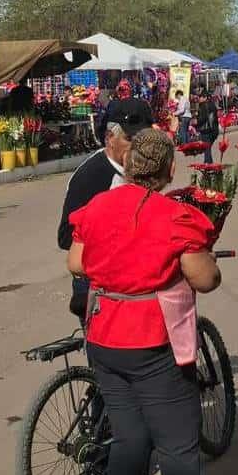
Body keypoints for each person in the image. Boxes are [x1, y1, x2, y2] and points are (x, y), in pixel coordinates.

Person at [66, 128, 221, 475]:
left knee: (130, 440)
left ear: (130, 165)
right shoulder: (175, 217)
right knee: (177, 449)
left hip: (105, 339)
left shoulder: (97, 207)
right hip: (153, 342)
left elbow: (76, 262)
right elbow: (203, 278)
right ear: (169, 170)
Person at [58, 98, 154, 319]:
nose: (138, 146)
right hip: (99, 286)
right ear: (110, 138)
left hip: (136, 277)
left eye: (144, 138)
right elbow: (65, 237)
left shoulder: (140, 168)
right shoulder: (92, 176)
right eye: (131, 139)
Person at [195, 94, 220, 163]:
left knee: (206, 148)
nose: (199, 99)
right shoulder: (212, 105)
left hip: (206, 130)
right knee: (207, 148)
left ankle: (208, 164)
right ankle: (208, 163)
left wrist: (196, 122)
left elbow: (203, 118)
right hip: (214, 130)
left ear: (205, 97)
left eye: (200, 97)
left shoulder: (203, 106)